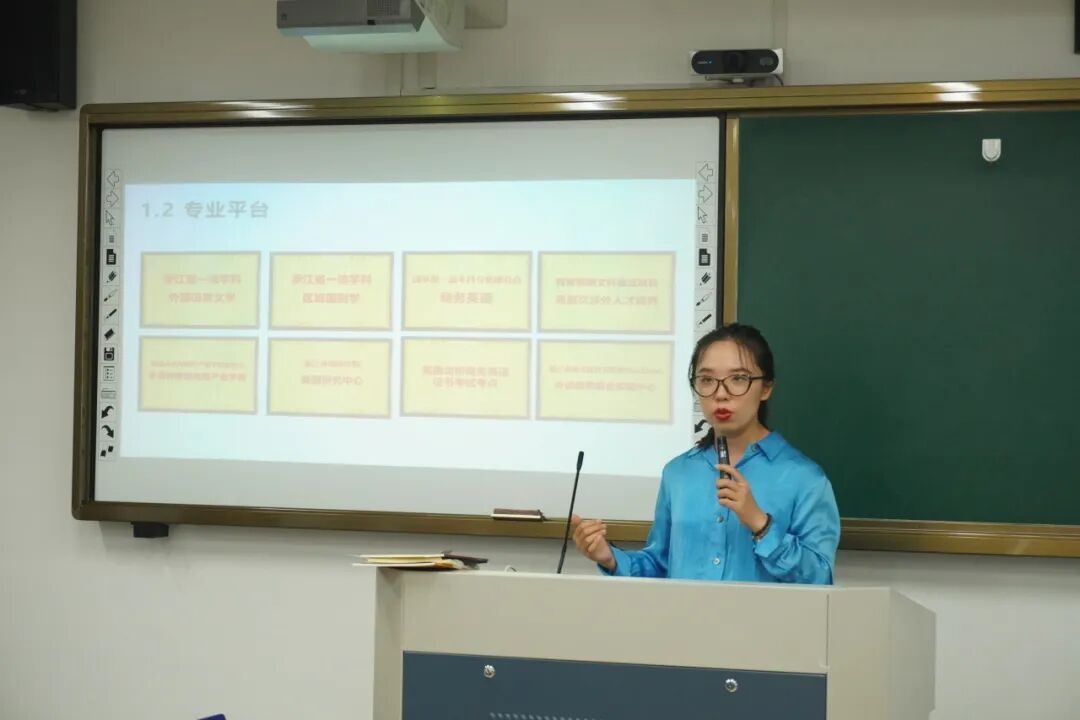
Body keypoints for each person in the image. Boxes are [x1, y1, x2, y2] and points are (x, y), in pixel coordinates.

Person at [571, 323, 840, 583]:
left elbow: (819, 577)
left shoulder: (804, 479)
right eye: (707, 380)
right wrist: (610, 558)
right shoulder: (678, 473)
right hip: (686, 615)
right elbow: (660, 567)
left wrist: (761, 524)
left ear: (766, 387)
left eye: (738, 379)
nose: (720, 394)